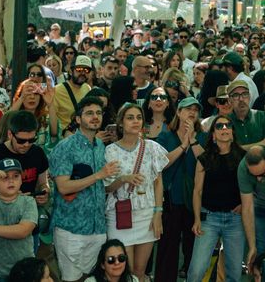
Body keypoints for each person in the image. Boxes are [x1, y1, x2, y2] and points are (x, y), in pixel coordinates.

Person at [50, 98, 122, 282]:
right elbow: (63, 187)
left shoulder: (99, 147)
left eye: (98, 113)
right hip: (71, 227)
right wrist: (99, 175)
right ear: (77, 119)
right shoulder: (65, 147)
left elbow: (100, 185)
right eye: (89, 113)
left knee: (92, 279)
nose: (95, 117)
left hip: (97, 227)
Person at [103, 102, 169, 281]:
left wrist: (158, 213)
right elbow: (106, 188)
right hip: (119, 214)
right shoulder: (110, 151)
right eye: (130, 118)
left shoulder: (151, 147)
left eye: (139, 118)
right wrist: (124, 179)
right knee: (125, 271)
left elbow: (158, 183)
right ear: (121, 123)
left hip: (146, 213)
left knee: (140, 271)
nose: (135, 121)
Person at [188, 113, 246, 282]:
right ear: (213, 134)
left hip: (235, 219)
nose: (224, 128)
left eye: (228, 125)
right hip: (209, 218)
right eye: (219, 126)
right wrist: (197, 219)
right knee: (197, 270)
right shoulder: (204, 158)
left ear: (233, 132)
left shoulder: (243, 156)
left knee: (234, 273)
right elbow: (197, 191)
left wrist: (244, 204)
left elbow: (253, 186)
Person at [155, 97, 203, 282]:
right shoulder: (166, 135)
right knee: (168, 247)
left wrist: (193, 141)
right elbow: (161, 163)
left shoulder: (202, 136)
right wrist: (183, 145)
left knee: (192, 248)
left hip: (193, 201)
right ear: (179, 112)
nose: (192, 113)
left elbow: (206, 162)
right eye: (188, 109)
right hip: (171, 199)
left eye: (196, 110)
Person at [0, 158, 39, 282]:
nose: (11, 180)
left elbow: (22, 231)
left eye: (16, 176)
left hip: (24, 271)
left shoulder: (28, 201)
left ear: (21, 181)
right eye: (4, 177)